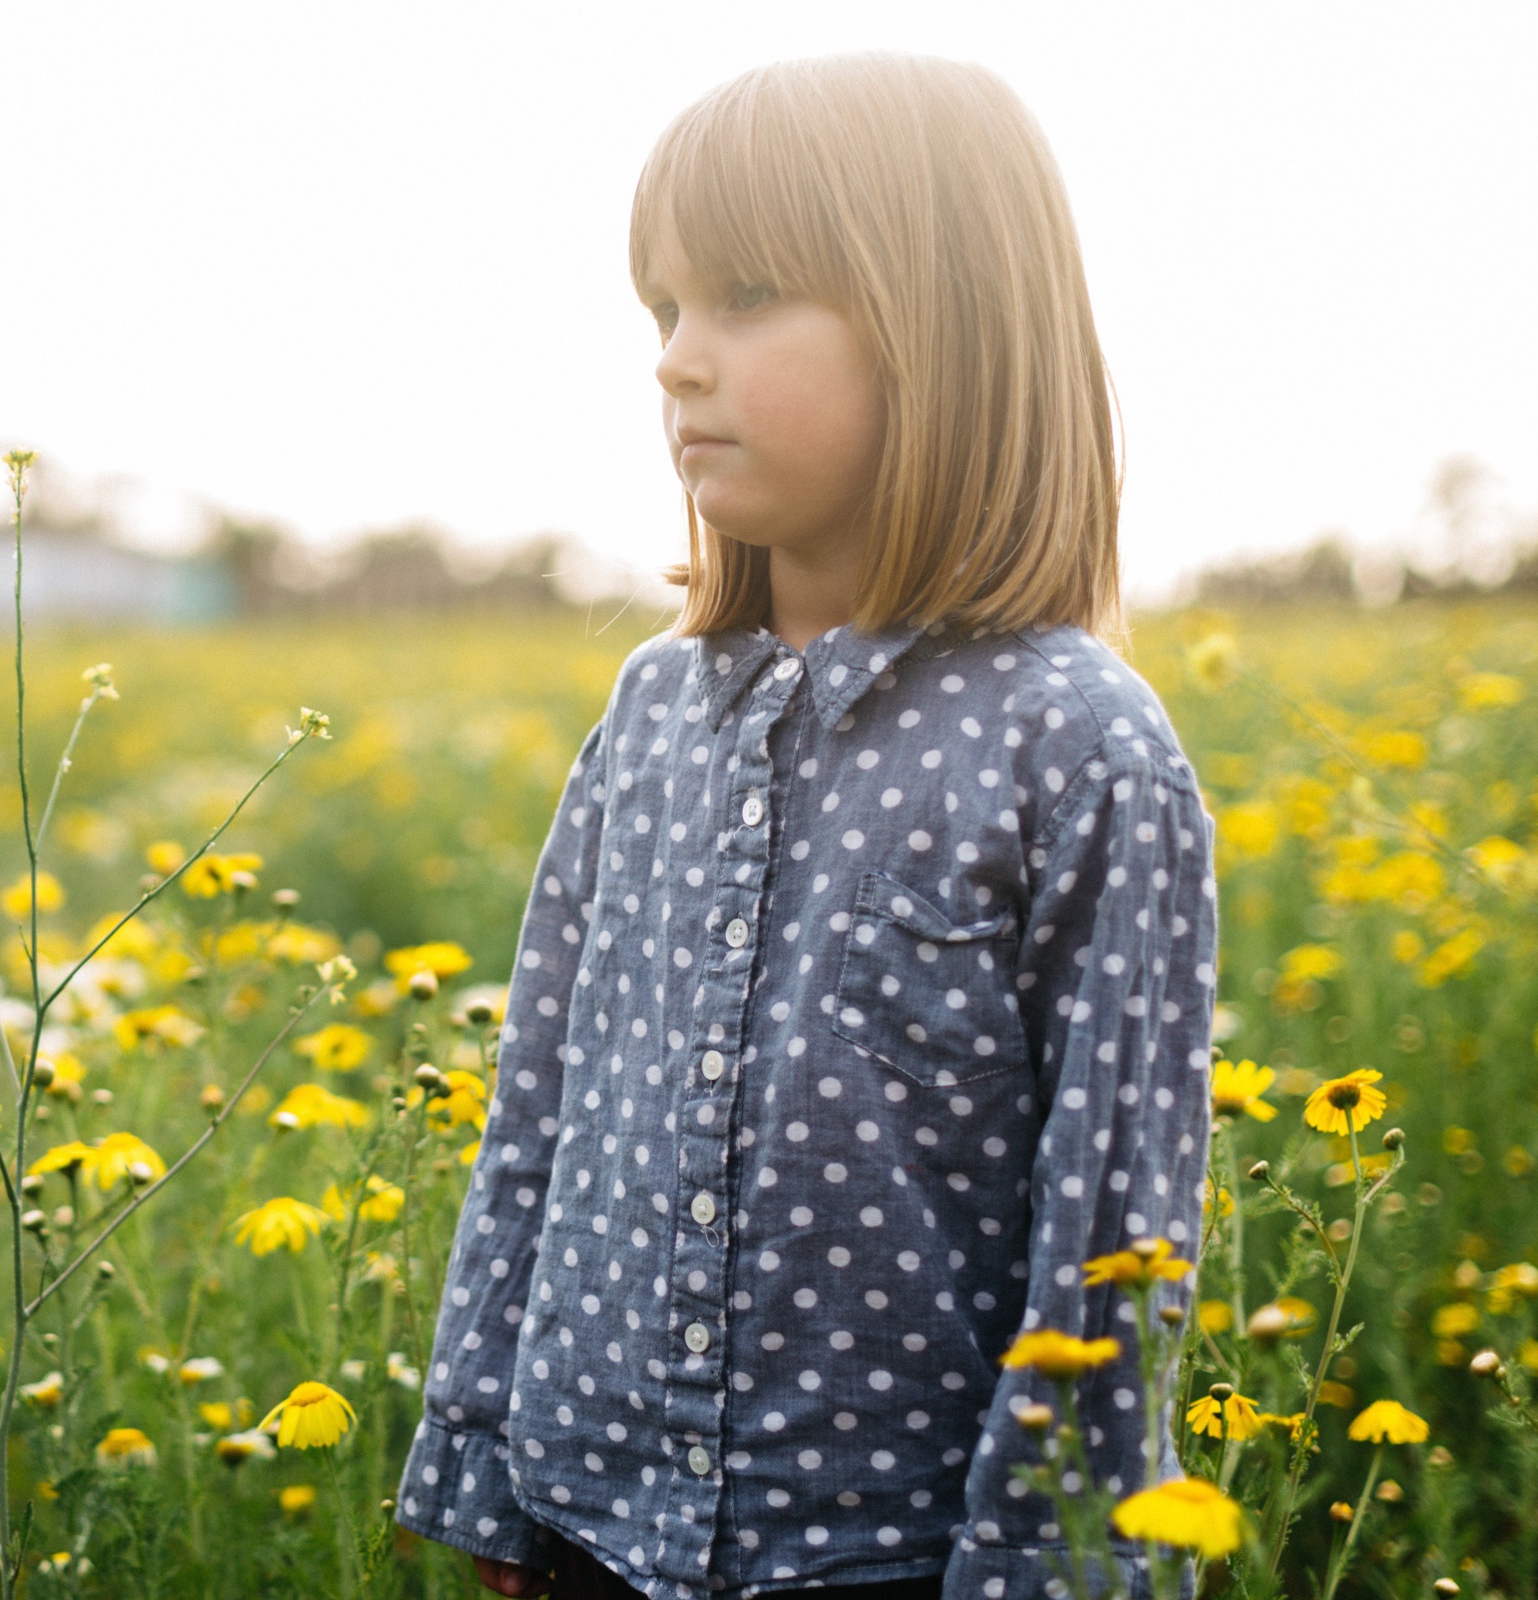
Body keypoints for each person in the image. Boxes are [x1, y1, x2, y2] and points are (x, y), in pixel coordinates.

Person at [395, 54, 1217, 1600]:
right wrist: (485, 1465)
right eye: (663, 311)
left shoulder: (1078, 745)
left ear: (951, 333)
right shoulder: (650, 711)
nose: (678, 362)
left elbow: (1116, 1225)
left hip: (884, 1556)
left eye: (752, 295)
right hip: (589, 1525)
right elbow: (540, 1113)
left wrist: (1051, 1571)